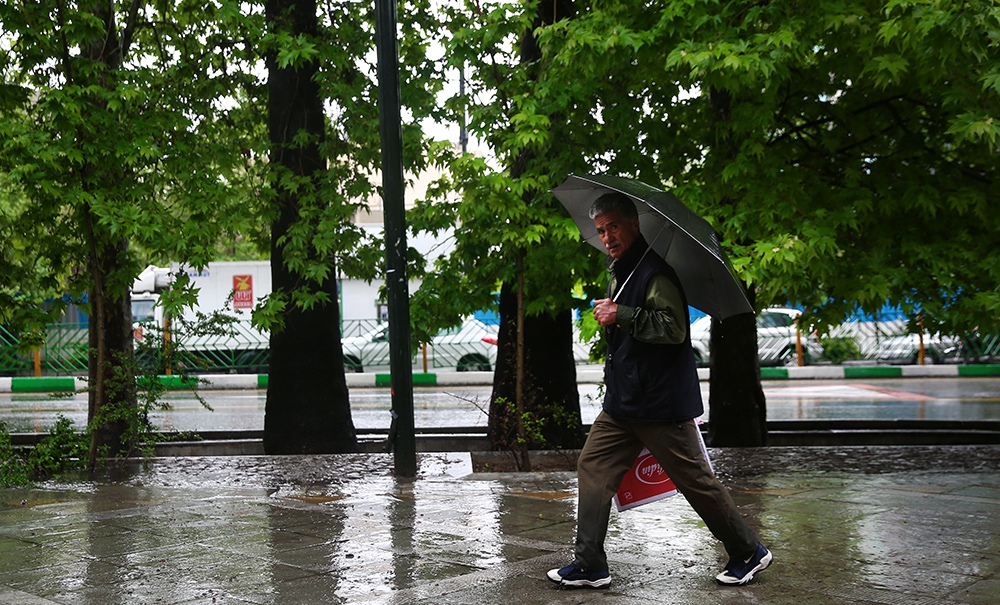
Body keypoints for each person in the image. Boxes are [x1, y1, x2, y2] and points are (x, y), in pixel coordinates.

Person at [547, 192, 771, 589]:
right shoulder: (622, 268)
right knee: (593, 466)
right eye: (600, 230)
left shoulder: (655, 273)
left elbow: (673, 330)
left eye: (613, 226)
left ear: (634, 223)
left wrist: (623, 314)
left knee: (695, 481)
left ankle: (748, 550)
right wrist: (617, 312)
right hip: (624, 402)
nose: (607, 236)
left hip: (659, 404)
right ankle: (589, 564)